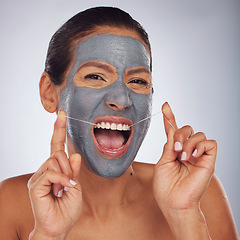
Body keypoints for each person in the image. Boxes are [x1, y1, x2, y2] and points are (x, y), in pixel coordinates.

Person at [0, 6, 238, 240]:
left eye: (137, 80)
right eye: (95, 76)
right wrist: (48, 236)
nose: (121, 100)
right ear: (49, 93)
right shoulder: (9, 204)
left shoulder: (198, 194)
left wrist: (185, 215)